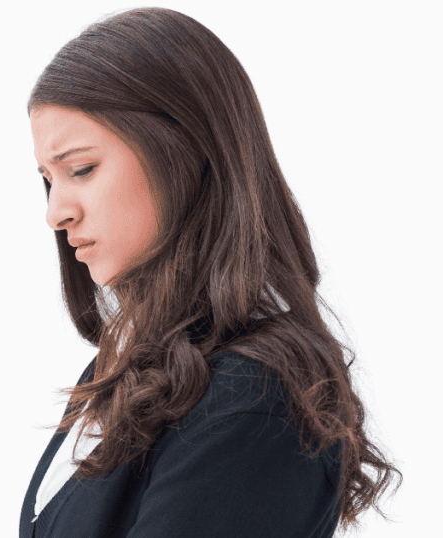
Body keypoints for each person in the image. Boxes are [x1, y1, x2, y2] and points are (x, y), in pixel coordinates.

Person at [20, 8, 398, 538]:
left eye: (81, 169)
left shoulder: (253, 400)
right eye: (48, 179)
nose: (55, 213)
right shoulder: (134, 367)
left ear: (184, 152)